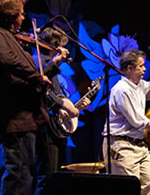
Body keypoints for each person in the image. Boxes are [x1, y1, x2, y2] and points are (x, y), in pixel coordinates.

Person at [102, 49, 150, 195]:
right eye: (141, 66)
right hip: (121, 145)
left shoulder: (140, 85)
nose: (144, 69)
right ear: (129, 69)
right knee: (128, 188)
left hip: (139, 146)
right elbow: (137, 121)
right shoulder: (122, 90)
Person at [0, 0, 52, 195]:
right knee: (18, 173)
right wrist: (36, 76)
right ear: (11, 17)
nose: (23, 18)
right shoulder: (1, 36)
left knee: (27, 173)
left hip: (27, 118)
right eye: (21, 14)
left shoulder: (11, 37)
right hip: (16, 119)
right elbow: (6, 59)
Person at [32, 26, 91, 195]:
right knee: (46, 176)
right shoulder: (41, 63)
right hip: (44, 127)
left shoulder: (49, 65)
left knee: (54, 174)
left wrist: (75, 105)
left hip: (53, 126)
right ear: (55, 46)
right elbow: (45, 94)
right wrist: (65, 105)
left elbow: (55, 95)